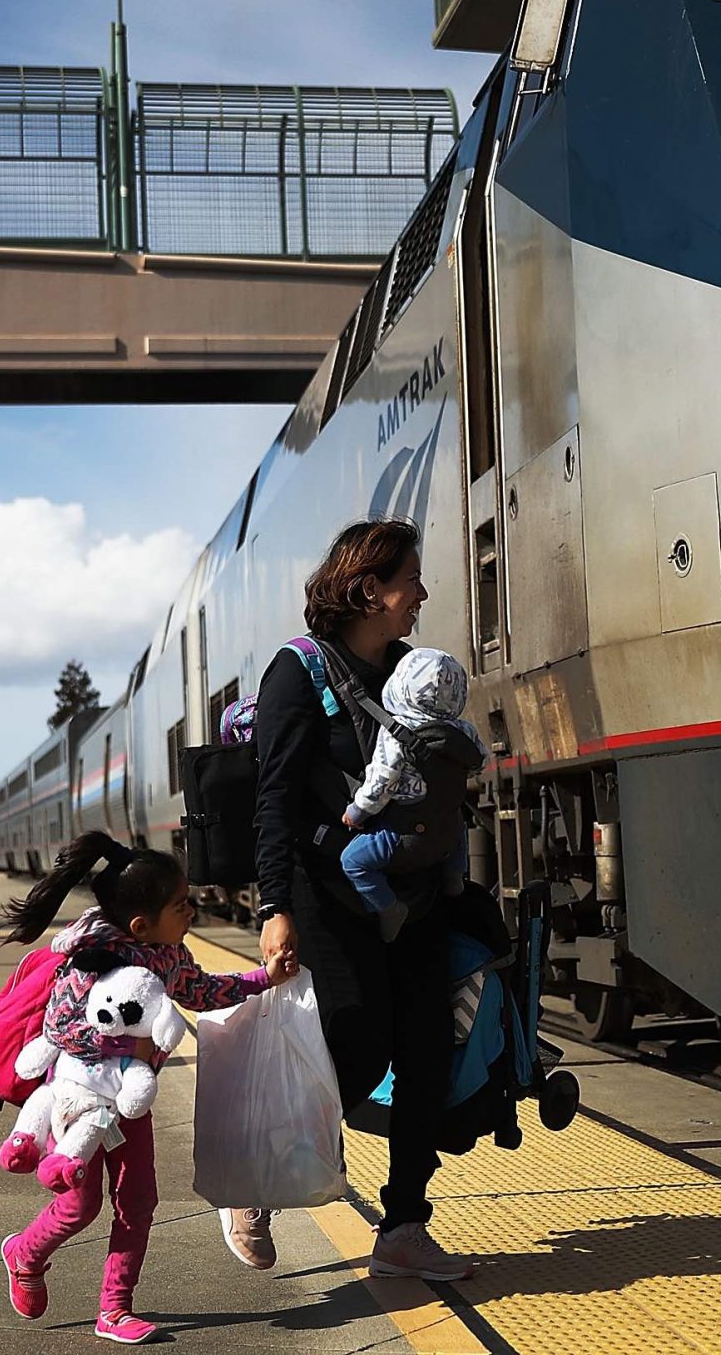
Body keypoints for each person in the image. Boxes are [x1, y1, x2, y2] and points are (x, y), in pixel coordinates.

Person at [250, 519, 469, 1281]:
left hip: (411, 892)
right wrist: (274, 907)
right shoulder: (297, 672)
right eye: (411, 580)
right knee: (358, 1044)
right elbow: (273, 800)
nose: (423, 594)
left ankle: (404, 1227)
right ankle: (261, 1182)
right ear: (370, 590)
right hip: (329, 896)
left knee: (428, 1051)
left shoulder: (411, 672)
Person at [0, 831, 292, 1344]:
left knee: (138, 1202)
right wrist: (131, 1047)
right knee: (80, 1207)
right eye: (181, 906)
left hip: (131, 1103)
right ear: (140, 924)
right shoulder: (91, 955)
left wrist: (264, 978)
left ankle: (114, 1309)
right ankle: (23, 1254)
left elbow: (202, 991)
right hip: (79, 1102)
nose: (192, 912)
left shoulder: (170, 954)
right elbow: (59, 1028)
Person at [340, 645, 486, 943]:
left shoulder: (396, 733)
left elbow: (381, 782)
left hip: (404, 836)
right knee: (457, 820)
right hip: (447, 835)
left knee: (352, 861)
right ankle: (454, 876)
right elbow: (479, 762)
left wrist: (356, 812)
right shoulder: (464, 731)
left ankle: (390, 908)